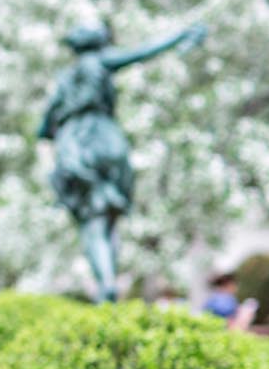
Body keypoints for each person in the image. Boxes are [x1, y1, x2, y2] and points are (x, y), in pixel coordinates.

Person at [37, 21, 206, 303]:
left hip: (77, 143)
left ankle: (106, 285)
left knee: (93, 222)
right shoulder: (101, 61)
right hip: (107, 136)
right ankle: (109, 283)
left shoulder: (66, 78)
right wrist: (180, 35)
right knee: (109, 218)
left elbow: (44, 128)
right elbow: (144, 52)